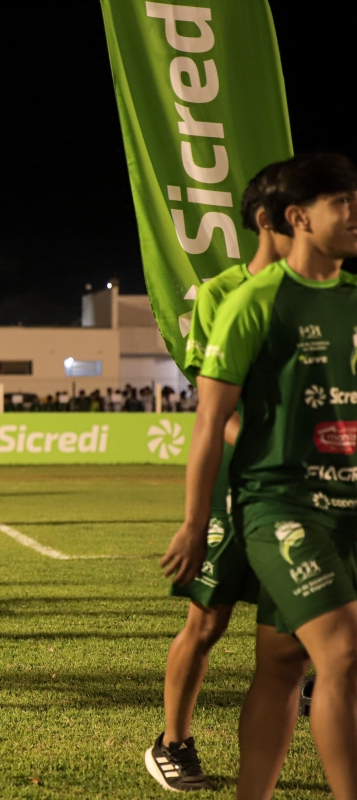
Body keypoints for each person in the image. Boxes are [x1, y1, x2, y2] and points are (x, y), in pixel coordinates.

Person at [162, 153, 357, 799]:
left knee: (281, 661)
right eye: (341, 203)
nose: (354, 214)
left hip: (345, 502)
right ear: (293, 218)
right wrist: (195, 523)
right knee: (337, 650)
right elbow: (209, 419)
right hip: (276, 502)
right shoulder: (244, 299)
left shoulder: (351, 300)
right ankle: (173, 740)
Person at [146, 164, 293, 792]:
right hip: (238, 490)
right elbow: (214, 410)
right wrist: (271, 452)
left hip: (305, 495)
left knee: (292, 643)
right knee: (206, 622)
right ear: (270, 219)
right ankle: (172, 742)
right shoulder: (222, 293)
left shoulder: (329, 294)